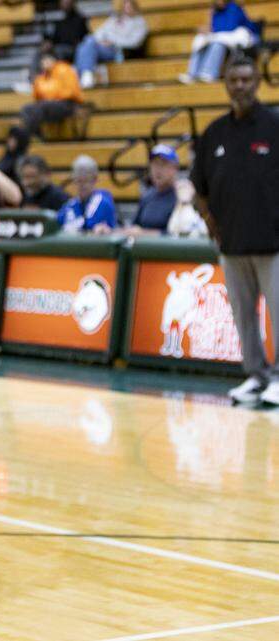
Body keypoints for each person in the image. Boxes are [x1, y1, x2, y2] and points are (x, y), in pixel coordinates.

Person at [190, 54, 279, 405]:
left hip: (273, 243)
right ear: (225, 84)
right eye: (234, 80)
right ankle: (256, 377)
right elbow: (199, 189)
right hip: (232, 245)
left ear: (257, 81)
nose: (240, 86)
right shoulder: (214, 134)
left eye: (246, 79)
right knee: (243, 317)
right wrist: (213, 225)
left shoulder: (275, 127)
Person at [180, 0, 260, 84]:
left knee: (217, 44)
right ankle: (192, 73)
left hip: (240, 37)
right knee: (200, 40)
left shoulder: (234, 7)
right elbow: (214, 28)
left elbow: (229, 27)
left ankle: (208, 73)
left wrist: (212, 31)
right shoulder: (215, 11)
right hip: (224, 36)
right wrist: (207, 27)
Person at [75, 0, 148, 88]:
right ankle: (86, 74)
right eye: (125, 6)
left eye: (129, 7)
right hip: (103, 46)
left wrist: (113, 41)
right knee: (87, 42)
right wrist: (102, 41)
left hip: (118, 50)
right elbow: (98, 33)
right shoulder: (114, 19)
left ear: (135, 8)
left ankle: (84, 74)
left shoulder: (140, 23)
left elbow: (135, 42)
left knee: (87, 44)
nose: (127, 9)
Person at [20, 53, 83, 144]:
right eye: (43, 61)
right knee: (26, 109)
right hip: (48, 105)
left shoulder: (64, 69)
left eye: (47, 60)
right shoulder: (42, 77)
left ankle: (28, 137)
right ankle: (36, 136)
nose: (44, 63)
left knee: (42, 106)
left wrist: (52, 97)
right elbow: (37, 96)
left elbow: (71, 92)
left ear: (53, 60)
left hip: (67, 104)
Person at [128, 144, 185, 234]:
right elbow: (134, 227)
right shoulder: (147, 196)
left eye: (163, 164)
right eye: (154, 164)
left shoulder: (182, 196)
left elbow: (180, 233)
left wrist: (143, 233)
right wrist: (110, 231)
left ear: (175, 168)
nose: (157, 170)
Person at [56, 154, 117, 233]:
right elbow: (56, 221)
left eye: (86, 180)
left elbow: (87, 226)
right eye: (78, 181)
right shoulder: (71, 204)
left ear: (95, 179)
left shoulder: (103, 201)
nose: (82, 186)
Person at [45, 0, 89, 66]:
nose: (64, 4)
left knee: (59, 51)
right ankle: (35, 75)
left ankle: (62, 74)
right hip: (59, 48)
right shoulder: (60, 22)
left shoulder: (80, 19)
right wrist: (49, 43)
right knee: (40, 52)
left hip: (74, 49)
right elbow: (54, 39)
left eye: (66, 2)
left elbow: (85, 37)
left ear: (73, 3)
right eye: (63, 2)